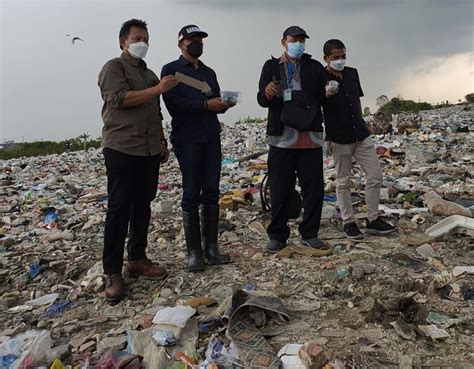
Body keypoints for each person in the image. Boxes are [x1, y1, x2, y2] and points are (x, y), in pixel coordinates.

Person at [98, 19, 178, 303]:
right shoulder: (114, 68)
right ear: (123, 42)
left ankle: (137, 258)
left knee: (143, 204)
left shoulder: (150, 74)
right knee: (119, 208)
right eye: (136, 38)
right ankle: (112, 272)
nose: (142, 42)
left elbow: (155, 112)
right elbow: (120, 99)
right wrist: (158, 89)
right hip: (121, 147)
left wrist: (161, 141)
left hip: (147, 150)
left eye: (145, 37)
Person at [161, 25, 235, 272]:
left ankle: (211, 247)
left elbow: (215, 100)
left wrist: (224, 104)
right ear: (181, 43)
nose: (197, 43)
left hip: (210, 135)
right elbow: (173, 104)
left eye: (200, 39)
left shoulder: (209, 72)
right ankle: (194, 252)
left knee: (212, 190)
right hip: (187, 137)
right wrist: (205, 105)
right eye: (193, 39)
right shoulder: (170, 70)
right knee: (191, 192)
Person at [257, 26, 328, 253]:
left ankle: (310, 233)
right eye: (293, 40)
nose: (298, 44)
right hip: (282, 138)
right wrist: (268, 93)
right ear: (283, 42)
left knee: (314, 189)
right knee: (279, 189)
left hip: (310, 138)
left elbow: (322, 96)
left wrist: (326, 93)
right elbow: (261, 98)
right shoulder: (271, 67)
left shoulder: (314, 67)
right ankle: (277, 235)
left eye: (301, 40)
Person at [322, 39, 396, 239]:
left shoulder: (352, 73)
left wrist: (364, 122)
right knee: (343, 181)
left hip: (361, 134)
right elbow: (316, 102)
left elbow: (357, 100)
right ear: (326, 58)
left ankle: (372, 219)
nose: (340, 60)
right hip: (339, 137)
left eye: (343, 56)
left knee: (375, 176)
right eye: (335, 57)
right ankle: (349, 221)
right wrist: (326, 94)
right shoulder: (320, 76)